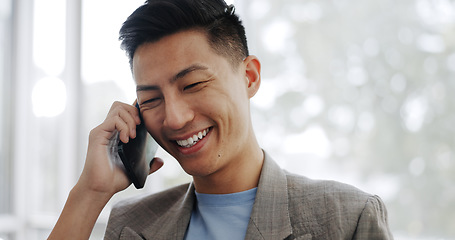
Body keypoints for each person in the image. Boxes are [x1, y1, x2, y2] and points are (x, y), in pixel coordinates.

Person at [48, 0, 393, 239]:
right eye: (151, 100)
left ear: (250, 77)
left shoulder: (347, 218)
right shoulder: (132, 223)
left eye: (194, 84)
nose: (175, 118)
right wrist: (89, 193)